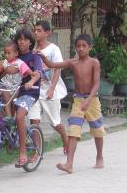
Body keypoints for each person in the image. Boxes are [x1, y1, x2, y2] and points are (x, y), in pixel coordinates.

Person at [43, 34, 105, 173]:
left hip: (92, 100)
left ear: (90, 47)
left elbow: (96, 84)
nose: (81, 48)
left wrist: (88, 100)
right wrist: (42, 57)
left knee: (97, 130)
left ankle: (99, 156)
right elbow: (52, 65)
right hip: (78, 100)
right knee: (73, 131)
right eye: (78, 46)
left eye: (84, 46)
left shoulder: (94, 63)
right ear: (75, 48)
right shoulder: (73, 62)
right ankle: (69, 164)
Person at [29, 20, 69, 154]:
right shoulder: (33, 50)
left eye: (39, 30)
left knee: (55, 123)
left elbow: (57, 69)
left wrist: (52, 89)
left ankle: (65, 139)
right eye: (35, 30)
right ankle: (36, 152)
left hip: (50, 92)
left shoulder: (53, 49)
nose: (36, 33)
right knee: (34, 122)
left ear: (47, 33)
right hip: (35, 91)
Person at [11, 27, 42, 168]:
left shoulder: (34, 56)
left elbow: (38, 73)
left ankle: (23, 151)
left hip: (30, 93)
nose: (22, 42)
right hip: (15, 92)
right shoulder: (14, 57)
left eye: (25, 39)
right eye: (19, 39)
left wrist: (30, 82)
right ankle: (12, 138)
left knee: (19, 117)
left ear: (30, 42)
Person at [0, 41, 34, 117]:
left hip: (14, 91)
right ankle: (3, 116)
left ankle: (8, 118)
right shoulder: (4, 62)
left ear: (16, 53)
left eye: (9, 53)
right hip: (3, 88)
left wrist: (34, 77)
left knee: (5, 93)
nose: (6, 55)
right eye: (5, 53)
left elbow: (30, 73)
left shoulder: (20, 63)